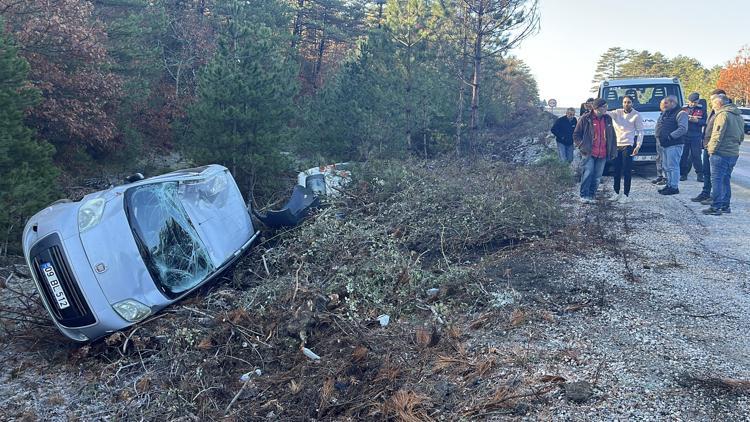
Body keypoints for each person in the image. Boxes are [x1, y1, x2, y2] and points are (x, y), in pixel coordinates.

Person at [703, 94, 745, 215]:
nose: (712, 106)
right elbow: (741, 136)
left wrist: (711, 150)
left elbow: (717, 134)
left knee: (717, 180)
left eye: (713, 104)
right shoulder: (738, 116)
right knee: (726, 179)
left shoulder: (723, 115)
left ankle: (716, 206)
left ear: (719, 104)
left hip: (720, 152)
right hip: (733, 152)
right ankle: (725, 206)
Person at [573, 98, 618, 203]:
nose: (606, 108)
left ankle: (592, 195)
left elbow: (612, 135)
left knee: (597, 176)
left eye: (606, 106)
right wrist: (581, 146)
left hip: (602, 153)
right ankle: (584, 195)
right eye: (604, 107)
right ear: (597, 108)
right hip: (589, 152)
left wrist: (613, 150)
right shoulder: (585, 118)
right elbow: (576, 134)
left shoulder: (607, 119)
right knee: (588, 173)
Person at [692, 88, 729, 204]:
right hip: (708, 145)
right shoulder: (714, 110)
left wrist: (713, 147)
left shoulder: (725, 112)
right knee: (707, 172)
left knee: (719, 177)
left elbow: (720, 132)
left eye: (713, 100)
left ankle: (718, 199)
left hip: (716, 148)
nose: (711, 102)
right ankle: (706, 193)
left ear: (720, 98)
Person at [607, 95, 644, 203]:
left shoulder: (636, 115)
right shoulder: (616, 112)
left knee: (627, 170)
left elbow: (640, 132)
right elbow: (605, 113)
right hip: (616, 145)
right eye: (624, 102)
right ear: (622, 103)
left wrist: (638, 146)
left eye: (628, 102)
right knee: (616, 170)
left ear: (632, 103)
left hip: (628, 145)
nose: (626, 104)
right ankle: (616, 192)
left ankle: (626, 194)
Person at [654, 95, 688, 195]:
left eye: (666, 103)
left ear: (673, 103)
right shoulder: (667, 113)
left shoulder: (681, 113)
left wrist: (670, 136)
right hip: (665, 144)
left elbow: (683, 129)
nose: (664, 105)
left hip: (674, 144)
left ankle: (674, 187)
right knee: (667, 166)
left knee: (673, 167)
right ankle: (668, 185)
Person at [679, 92, 707, 181]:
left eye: (695, 102)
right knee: (684, 156)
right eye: (691, 102)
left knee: (696, 156)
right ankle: (683, 174)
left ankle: (699, 174)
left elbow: (705, 121)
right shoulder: (683, 108)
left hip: (696, 135)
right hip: (685, 135)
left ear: (698, 101)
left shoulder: (702, 109)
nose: (692, 104)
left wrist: (697, 121)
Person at [651, 99, 668, 186]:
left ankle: (665, 178)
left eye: (665, 104)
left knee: (664, 159)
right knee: (658, 158)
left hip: (664, 140)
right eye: (661, 104)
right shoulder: (661, 114)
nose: (663, 106)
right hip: (658, 139)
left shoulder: (668, 115)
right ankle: (660, 175)